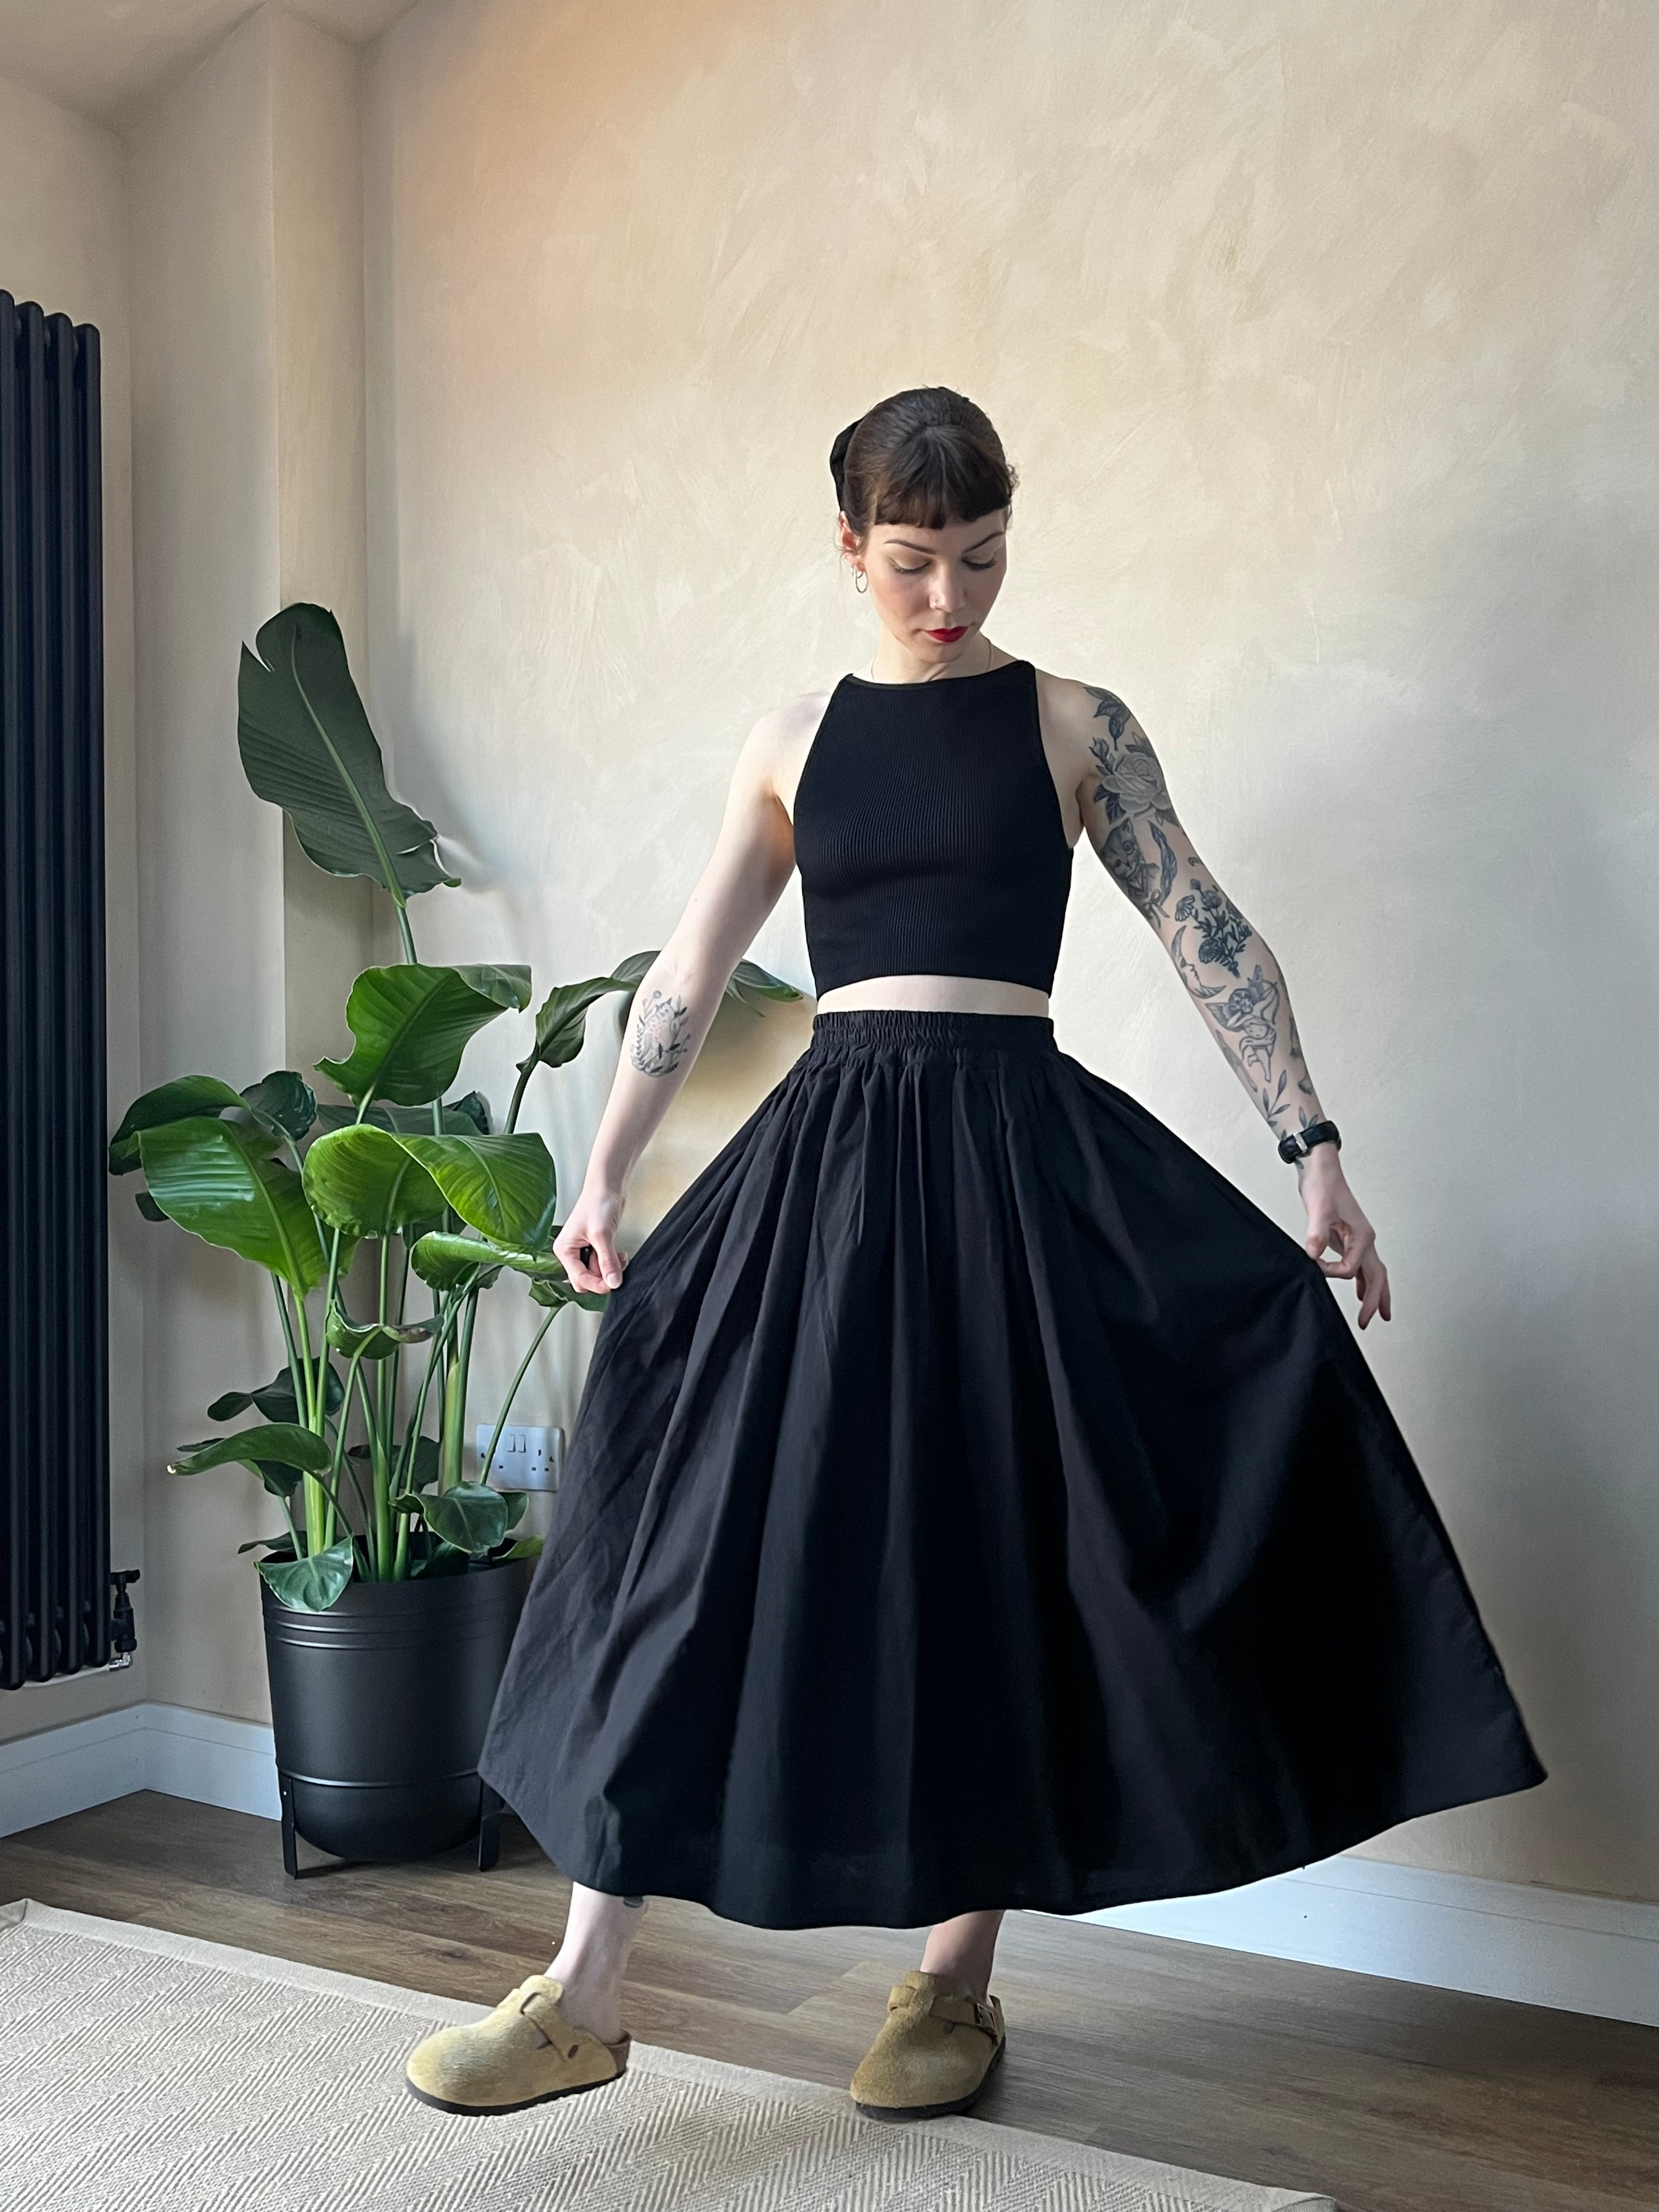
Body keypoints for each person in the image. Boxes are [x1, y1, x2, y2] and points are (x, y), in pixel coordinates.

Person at [404, 386, 1547, 2124]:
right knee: (689, 1528)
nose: (953, 598)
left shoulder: (1081, 724)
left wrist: (1315, 1152)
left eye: (985, 559)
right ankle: (586, 1988)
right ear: (850, 549)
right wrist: (605, 1172)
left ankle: (951, 1985)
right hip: (832, 1164)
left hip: (1022, 1164)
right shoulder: (793, 739)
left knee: (1001, 1544)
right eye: (916, 564)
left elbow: (1207, 932)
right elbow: (687, 973)